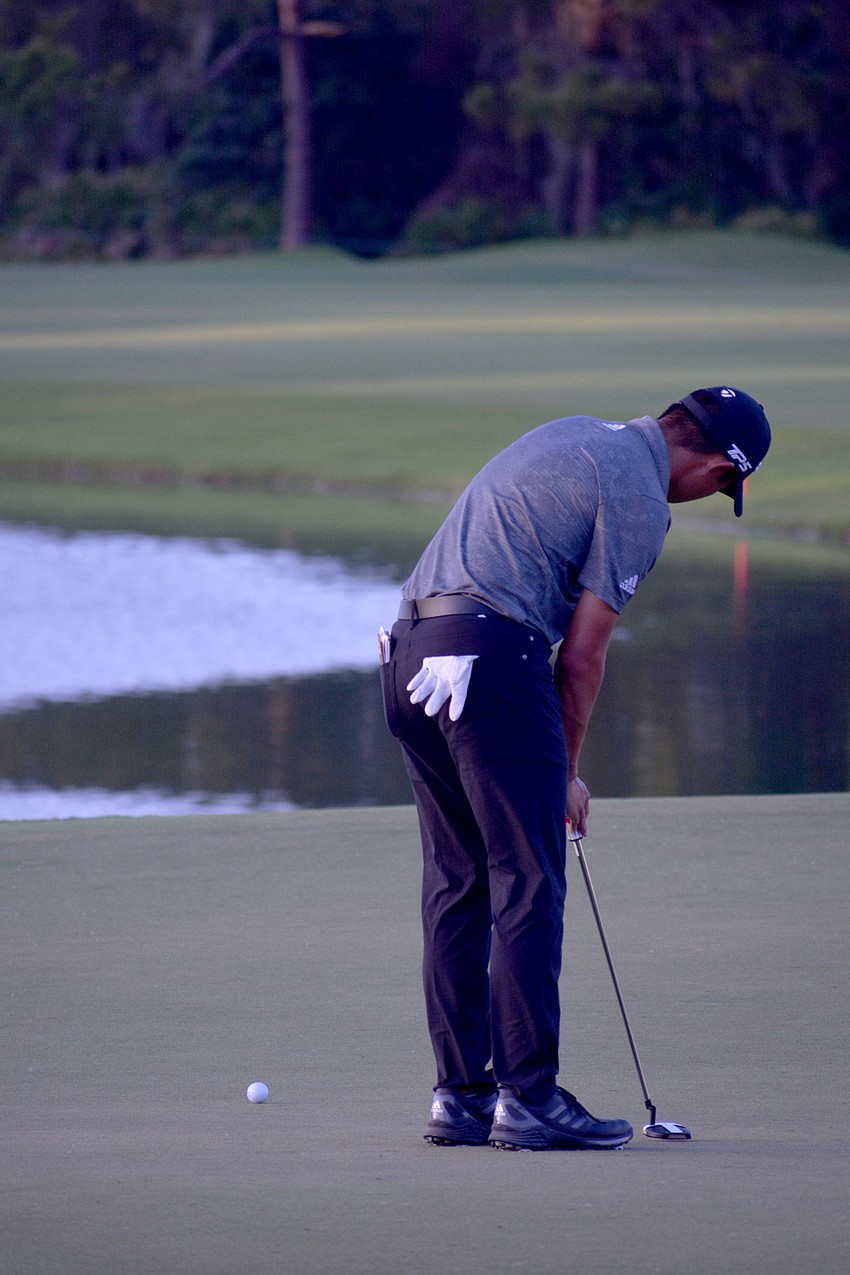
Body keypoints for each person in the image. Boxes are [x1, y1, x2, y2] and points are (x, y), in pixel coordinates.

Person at [379, 386, 770, 1151]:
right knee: (527, 877)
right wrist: (566, 770)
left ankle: (461, 1096)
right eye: (723, 485)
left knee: (459, 880)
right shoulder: (638, 494)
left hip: (407, 659)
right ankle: (528, 1098)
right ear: (718, 464)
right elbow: (583, 658)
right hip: (491, 658)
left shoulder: (577, 434)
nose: (705, 497)